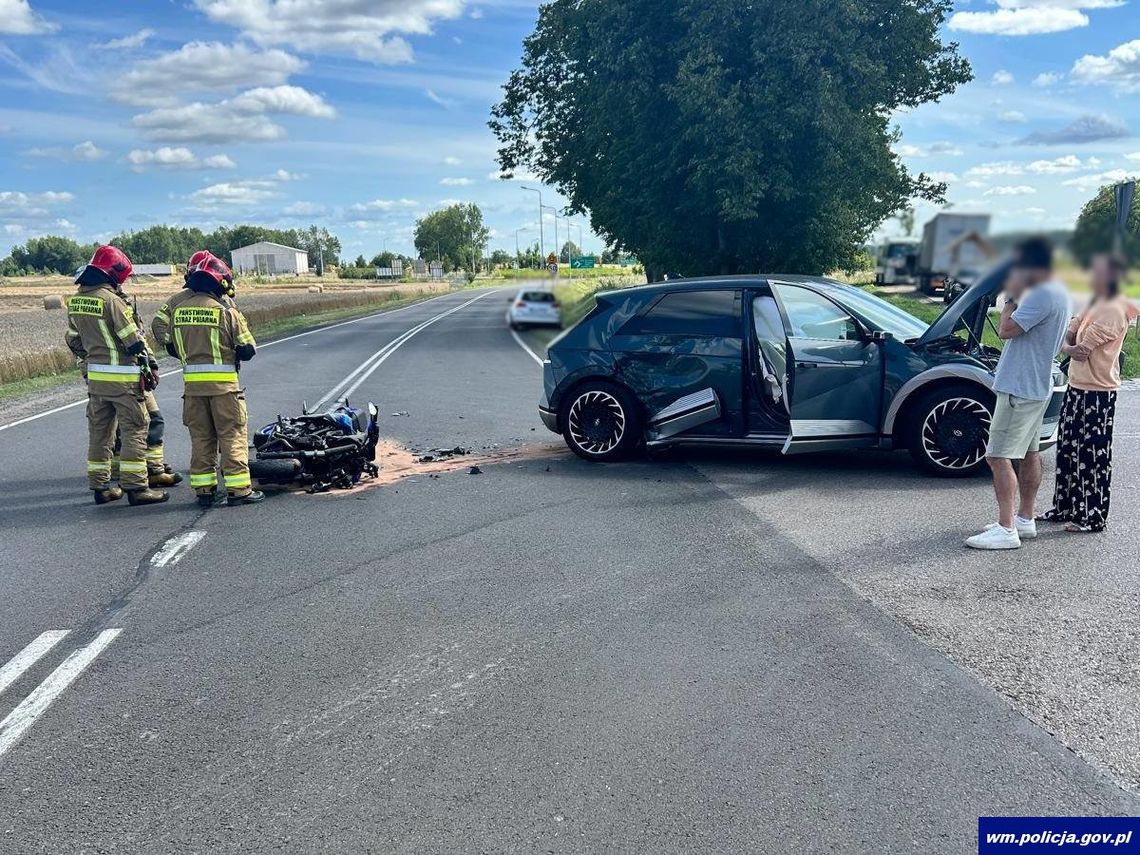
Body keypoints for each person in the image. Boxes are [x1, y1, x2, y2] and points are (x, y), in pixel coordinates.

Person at [966, 237, 1071, 550]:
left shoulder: (1041, 294)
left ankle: (1006, 528)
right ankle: (1025, 519)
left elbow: (1007, 330)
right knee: (1029, 452)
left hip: (1019, 388)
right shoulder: (1060, 291)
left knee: (997, 456)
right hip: (1036, 385)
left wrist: (1010, 298)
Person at [64, 246, 170, 506]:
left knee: (100, 433)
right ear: (112, 274)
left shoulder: (76, 299)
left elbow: (73, 340)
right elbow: (133, 342)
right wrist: (149, 364)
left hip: (96, 381)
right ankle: (137, 489)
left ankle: (101, 488)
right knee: (135, 429)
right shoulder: (112, 301)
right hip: (123, 380)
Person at [1039, 253, 1134, 532]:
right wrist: (1069, 342)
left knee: (1093, 456)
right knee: (1068, 450)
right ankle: (1064, 507)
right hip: (1077, 386)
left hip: (1098, 391)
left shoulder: (1114, 309)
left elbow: (1080, 350)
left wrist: (1068, 344)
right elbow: (1069, 333)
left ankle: (1092, 516)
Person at [163, 252, 263, 507]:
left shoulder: (178, 312)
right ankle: (239, 490)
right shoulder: (225, 312)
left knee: (201, 438)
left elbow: (171, 348)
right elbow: (248, 350)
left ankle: (204, 490)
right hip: (225, 391)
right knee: (232, 436)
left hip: (193, 392)